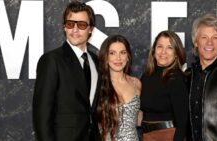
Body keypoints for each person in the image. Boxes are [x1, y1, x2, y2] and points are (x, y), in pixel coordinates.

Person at [32, 1, 100, 141]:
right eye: (70, 24)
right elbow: (42, 113)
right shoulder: (52, 60)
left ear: (91, 29)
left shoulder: (95, 61)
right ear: (64, 27)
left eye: (81, 25)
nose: (75, 29)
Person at [140, 31, 188, 141]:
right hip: (147, 136)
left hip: (168, 136)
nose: (163, 52)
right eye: (160, 46)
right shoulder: (146, 76)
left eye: (170, 47)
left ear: (176, 53)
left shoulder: (177, 78)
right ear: (154, 50)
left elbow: (182, 123)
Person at [97, 35, 142, 141]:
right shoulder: (98, 85)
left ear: (128, 57)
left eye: (122, 52)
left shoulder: (136, 83)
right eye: (112, 53)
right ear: (106, 57)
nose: (118, 58)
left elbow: (139, 116)